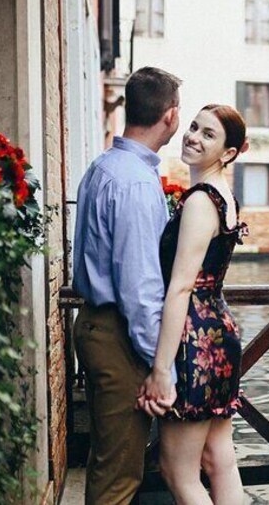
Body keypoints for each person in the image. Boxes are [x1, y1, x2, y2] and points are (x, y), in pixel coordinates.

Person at [72, 66, 182, 504]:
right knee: (119, 478)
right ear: (170, 115)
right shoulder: (135, 182)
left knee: (108, 463)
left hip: (97, 326)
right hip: (119, 336)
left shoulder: (104, 166)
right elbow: (140, 290)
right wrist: (162, 369)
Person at [138, 104, 249, 504]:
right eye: (194, 127)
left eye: (208, 134)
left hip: (194, 342)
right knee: (219, 460)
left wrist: (160, 370)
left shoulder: (202, 201)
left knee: (178, 471)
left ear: (229, 153)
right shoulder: (225, 196)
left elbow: (182, 287)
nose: (193, 137)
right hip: (219, 333)